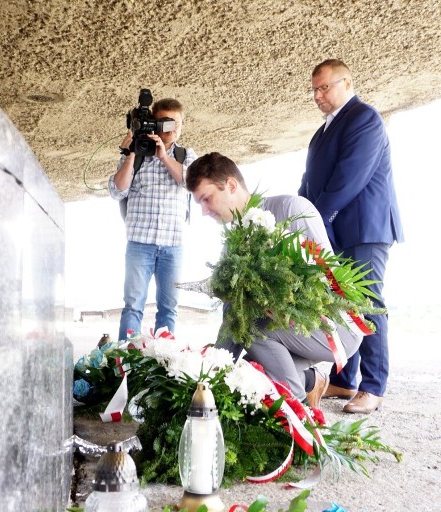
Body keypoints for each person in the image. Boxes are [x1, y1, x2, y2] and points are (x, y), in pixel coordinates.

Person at [186, 152, 361, 408]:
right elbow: (232, 313)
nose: (203, 211)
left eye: (207, 199)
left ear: (231, 185)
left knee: (252, 329)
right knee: (248, 376)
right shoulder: (232, 245)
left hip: (333, 329)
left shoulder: (291, 209)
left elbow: (329, 279)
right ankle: (311, 382)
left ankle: (297, 412)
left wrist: (279, 303)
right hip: (288, 332)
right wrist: (215, 371)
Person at [299, 59, 404, 414]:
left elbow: (350, 177)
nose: (317, 95)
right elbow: (310, 181)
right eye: (314, 89)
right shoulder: (322, 131)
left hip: (364, 228)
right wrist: (299, 213)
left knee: (366, 303)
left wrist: (319, 217)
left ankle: (373, 387)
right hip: (337, 230)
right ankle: (345, 380)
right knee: (341, 305)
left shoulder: (364, 117)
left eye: (324, 87)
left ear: (346, 82)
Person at [108, 97, 197, 341]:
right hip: (139, 243)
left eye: (177, 124)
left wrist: (164, 157)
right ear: (153, 124)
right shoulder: (137, 156)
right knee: (133, 306)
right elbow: (117, 191)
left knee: (168, 309)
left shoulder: (184, 154)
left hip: (173, 245)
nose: (173, 130)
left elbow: (190, 181)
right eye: (166, 124)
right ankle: (125, 365)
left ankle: (161, 366)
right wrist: (129, 154)